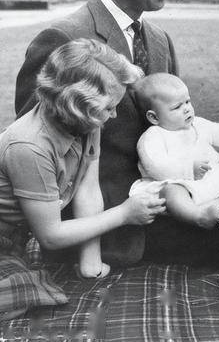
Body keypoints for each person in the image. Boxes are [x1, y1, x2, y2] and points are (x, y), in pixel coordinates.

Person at [14, 0, 219, 268]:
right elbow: (35, 147)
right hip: (110, 213)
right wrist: (109, 220)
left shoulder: (159, 40)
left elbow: (177, 126)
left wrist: (197, 178)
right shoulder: (64, 38)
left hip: (170, 188)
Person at [0, 40, 165, 319]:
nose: (114, 114)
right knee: (25, 291)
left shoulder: (86, 121)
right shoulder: (29, 147)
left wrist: (91, 261)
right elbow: (51, 236)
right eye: (109, 107)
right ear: (76, 105)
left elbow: (87, 190)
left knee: (29, 285)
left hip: (17, 238)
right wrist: (124, 214)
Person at [132, 73, 219, 228]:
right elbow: (155, 165)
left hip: (204, 182)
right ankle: (198, 216)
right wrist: (189, 168)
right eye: (177, 107)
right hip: (173, 182)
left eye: (187, 102)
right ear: (154, 117)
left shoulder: (198, 125)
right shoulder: (153, 136)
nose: (186, 109)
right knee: (172, 192)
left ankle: (211, 210)